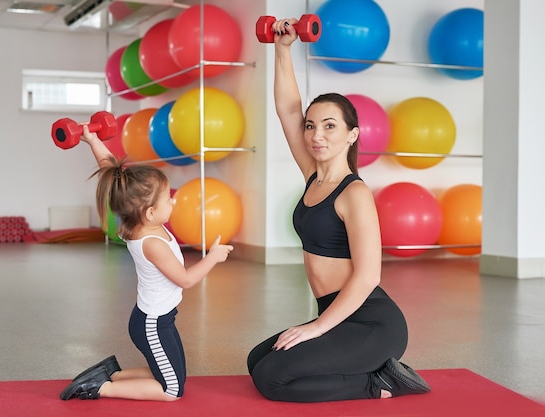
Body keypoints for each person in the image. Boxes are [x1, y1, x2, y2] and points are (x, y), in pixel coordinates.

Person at [246, 17, 431, 402]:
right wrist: (282, 50)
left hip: (372, 321)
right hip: (338, 314)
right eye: (312, 126)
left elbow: (366, 277)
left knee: (272, 379)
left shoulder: (355, 194)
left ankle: (380, 382)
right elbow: (288, 109)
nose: (316, 135)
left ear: (352, 134)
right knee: (257, 360)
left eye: (330, 126)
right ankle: (362, 368)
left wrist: (315, 329)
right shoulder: (314, 176)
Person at [59, 125, 234, 402]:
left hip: (159, 319)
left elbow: (112, 171)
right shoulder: (151, 243)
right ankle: (99, 388)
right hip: (152, 323)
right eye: (168, 199)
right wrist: (212, 257)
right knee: (171, 390)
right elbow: (186, 280)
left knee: (175, 375)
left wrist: (92, 139)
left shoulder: (139, 220)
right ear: (151, 212)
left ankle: (110, 373)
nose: (173, 201)